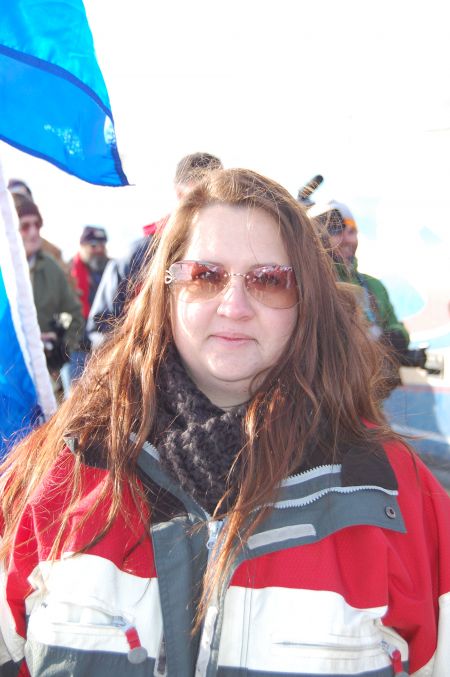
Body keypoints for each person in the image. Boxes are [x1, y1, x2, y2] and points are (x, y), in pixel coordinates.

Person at [1, 169, 449, 677]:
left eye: (270, 281)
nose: (234, 306)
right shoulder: (60, 475)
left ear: (309, 304)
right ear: (166, 292)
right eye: (205, 276)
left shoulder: (402, 500)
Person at [86, 151, 223, 343]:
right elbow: (100, 329)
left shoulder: (233, 258)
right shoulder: (138, 256)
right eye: (197, 197)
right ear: (179, 193)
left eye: (215, 199)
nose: (205, 209)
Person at [308, 200, 411, 387]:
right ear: (318, 237)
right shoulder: (311, 285)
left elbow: (396, 328)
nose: (347, 239)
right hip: (327, 402)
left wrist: (395, 339)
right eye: (336, 230)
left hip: (374, 400)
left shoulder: (374, 286)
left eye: (352, 231)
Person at [12, 194, 84, 386]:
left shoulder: (52, 266)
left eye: (37, 224)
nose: (34, 232)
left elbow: (73, 314)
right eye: (25, 226)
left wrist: (62, 343)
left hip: (44, 373)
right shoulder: (5, 273)